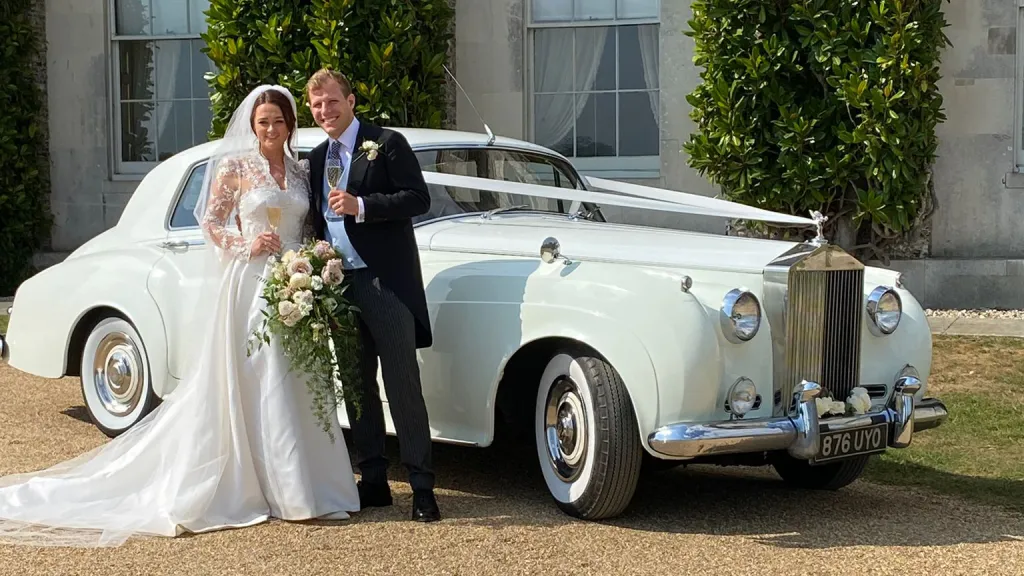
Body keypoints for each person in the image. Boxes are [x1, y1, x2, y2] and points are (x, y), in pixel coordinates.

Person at [0, 85, 360, 547]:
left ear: (291, 124)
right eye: (263, 121)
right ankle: (266, 487)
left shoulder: (300, 168)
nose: (271, 128)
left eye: (279, 120)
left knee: (298, 377)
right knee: (261, 374)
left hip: (294, 278)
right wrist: (245, 245)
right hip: (250, 282)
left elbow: (309, 224)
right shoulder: (236, 167)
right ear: (253, 126)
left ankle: (309, 489)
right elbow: (210, 223)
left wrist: (310, 262)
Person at [304, 68, 439, 522]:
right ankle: (374, 482)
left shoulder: (387, 142)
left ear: (352, 100)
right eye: (318, 104)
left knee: (402, 384)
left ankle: (421, 486)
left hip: (385, 281)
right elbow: (317, 220)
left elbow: (418, 199)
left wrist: (363, 206)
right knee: (357, 387)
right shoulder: (318, 157)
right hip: (341, 285)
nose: (326, 110)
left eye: (333, 101)